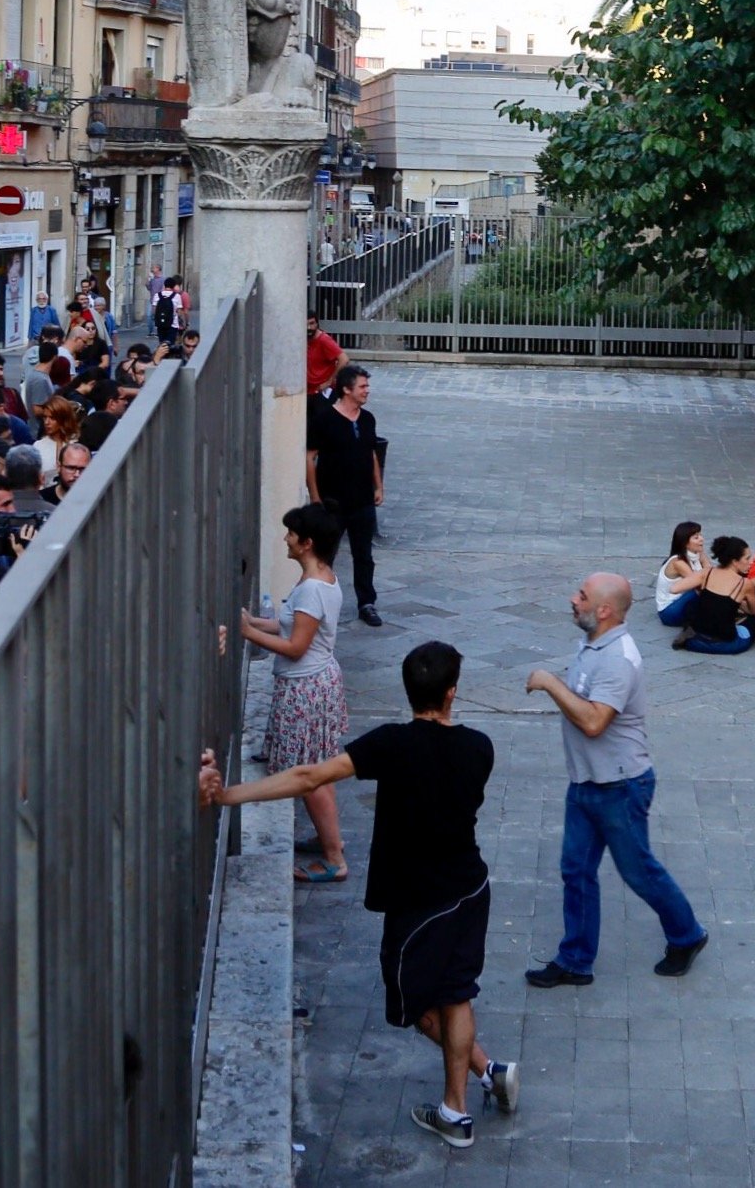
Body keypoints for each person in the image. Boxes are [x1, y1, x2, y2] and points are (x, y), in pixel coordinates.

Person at [198, 641, 516, 1150]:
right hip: (470, 888)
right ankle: (475, 1085)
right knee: (457, 994)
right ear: (453, 692)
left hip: (418, 901)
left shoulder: (391, 745)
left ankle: (462, 1102)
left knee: (417, 1010)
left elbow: (309, 775)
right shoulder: (481, 748)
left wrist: (228, 796)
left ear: (408, 688)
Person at [523, 573, 707, 987]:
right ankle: (574, 961)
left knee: (639, 871)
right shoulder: (593, 642)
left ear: (604, 610)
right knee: (576, 870)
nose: (573, 599)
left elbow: (593, 722)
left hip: (620, 787)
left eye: (582, 596)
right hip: (588, 782)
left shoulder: (619, 658)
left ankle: (687, 934)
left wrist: (550, 683)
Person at [240, 503, 353, 882]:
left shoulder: (312, 590)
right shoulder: (321, 578)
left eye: (291, 534)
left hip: (305, 688)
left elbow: (295, 647)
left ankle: (335, 859)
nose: (285, 538)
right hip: (316, 684)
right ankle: (329, 842)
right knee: (320, 770)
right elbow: (290, 627)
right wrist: (255, 621)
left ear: (306, 543)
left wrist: (248, 634)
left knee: (310, 776)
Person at [306, 363, 384, 627]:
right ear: (347, 389)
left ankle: (367, 602)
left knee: (364, 555)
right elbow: (310, 457)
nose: (367, 391)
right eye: (362, 386)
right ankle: (318, 602)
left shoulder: (367, 419)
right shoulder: (325, 420)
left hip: (362, 499)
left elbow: (371, 453)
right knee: (325, 554)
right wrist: (315, 496)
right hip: (333, 501)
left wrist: (378, 486)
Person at [671, 536, 755, 655]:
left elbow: (674, 589)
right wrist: (739, 603)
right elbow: (754, 611)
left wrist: (702, 589)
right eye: (747, 558)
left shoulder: (707, 572)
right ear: (735, 561)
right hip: (727, 645)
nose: (751, 562)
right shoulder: (745, 583)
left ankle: (690, 631)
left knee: (693, 602)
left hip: (695, 642)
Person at [652, 521, 708, 628]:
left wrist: (703, 558)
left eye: (700, 535)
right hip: (669, 612)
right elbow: (699, 583)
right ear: (685, 543)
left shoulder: (696, 555)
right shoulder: (678, 562)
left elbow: (711, 574)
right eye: (696, 537)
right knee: (699, 592)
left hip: (682, 602)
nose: (701, 539)